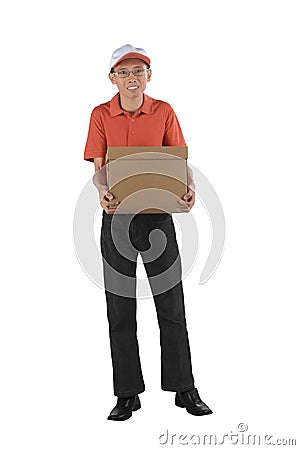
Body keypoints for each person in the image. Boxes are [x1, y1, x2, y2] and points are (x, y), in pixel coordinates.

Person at [84, 44, 212, 421]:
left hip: (158, 217)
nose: (132, 78)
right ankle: (127, 394)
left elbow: (178, 158)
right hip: (117, 219)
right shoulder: (100, 114)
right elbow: (97, 164)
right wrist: (101, 190)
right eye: (124, 72)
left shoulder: (164, 111)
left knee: (171, 305)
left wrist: (190, 188)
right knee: (120, 308)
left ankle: (184, 389)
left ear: (149, 75)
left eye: (139, 71)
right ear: (113, 78)